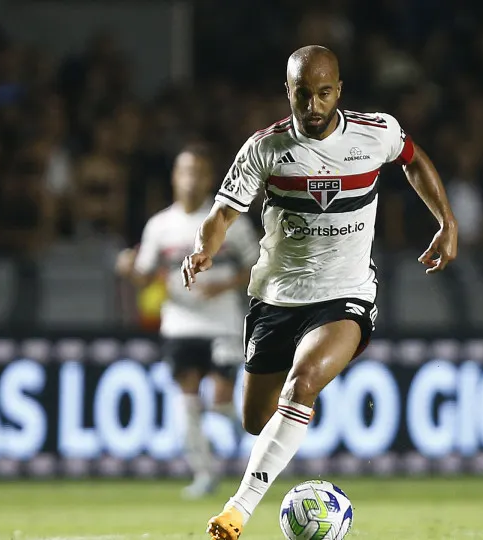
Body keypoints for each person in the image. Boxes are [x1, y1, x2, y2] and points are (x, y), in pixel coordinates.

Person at [182, 46, 458, 540]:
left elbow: (413, 159)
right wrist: (205, 248)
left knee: (303, 382)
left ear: (339, 90)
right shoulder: (266, 148)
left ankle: (236, 512)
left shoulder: (376, 133)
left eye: (324, 93)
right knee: (256, 420)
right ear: (287, 92)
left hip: (345, 294)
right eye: (303, 95)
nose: (314, 106)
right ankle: (301, 407)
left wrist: (446, 221)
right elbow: (222, 213)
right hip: (277, 297)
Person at [116, 144, 260, 498]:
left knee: (221, 401)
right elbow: (145, 275)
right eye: (185, 172)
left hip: (223, 322)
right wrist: (129, 269)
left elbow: (258, 265)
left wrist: (225, 284)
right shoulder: (159, 226)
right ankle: (205, 473)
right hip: (180, 322)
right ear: (174, 177)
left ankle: (250, 428)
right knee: (188, 401)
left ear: (209, 178)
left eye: (198, 172)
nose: (191, 179)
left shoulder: (229, 219)